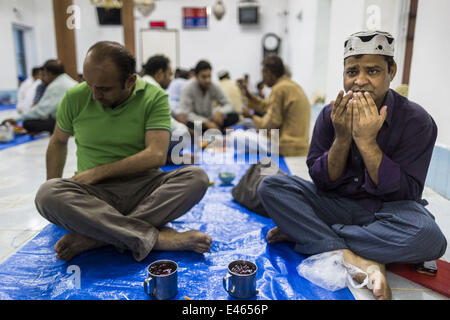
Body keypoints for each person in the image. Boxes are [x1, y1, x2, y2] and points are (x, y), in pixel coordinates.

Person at [257, 30, 447, 300]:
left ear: (391, 72)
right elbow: (321, 181)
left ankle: (313, 236)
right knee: (271, 185)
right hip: (336, 203)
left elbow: (406, 193)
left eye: (372, 71)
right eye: (352, 71)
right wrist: (343, 137)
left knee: (429, 238)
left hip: (388, 211)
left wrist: (367, 142)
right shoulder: (330, 114)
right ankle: (352, 255)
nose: (359, 81)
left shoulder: (417, 121)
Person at [34, 41, 212, 262]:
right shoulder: (75, 97)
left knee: (196, 177)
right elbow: (58, 141)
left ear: (130, 81)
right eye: (89, 84)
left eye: (104, 89)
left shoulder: (154, 98)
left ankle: (96, 238)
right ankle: (157, 239)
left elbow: (155, 154)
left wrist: (98, 172)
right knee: (47, 193)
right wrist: (59, 200)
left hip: (143, 188)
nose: (94, 95)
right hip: (95, 195)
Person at [238, 54, 311, 157]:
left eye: (263, 73)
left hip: (287, 146)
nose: (262, 78)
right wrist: (248, 95)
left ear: (268, 73)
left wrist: (251, 116)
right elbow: (267, 105)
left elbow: (270, 124)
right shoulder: (289, 85)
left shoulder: (280, 89)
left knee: (236, 137)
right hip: (300, 145)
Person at [2, 60, 77, 135]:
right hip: (76, 120)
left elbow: (40, 110)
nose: (42, 78)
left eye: (44, 74)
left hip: (69, 124)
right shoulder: (70, 81)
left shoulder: (55, 86)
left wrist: (16, 119)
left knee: (28, 123)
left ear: (49, 73)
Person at [142, 55, 190, 158]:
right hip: (147, 141)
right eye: (169, 74)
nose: (171, 79)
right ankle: (165, 157)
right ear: (159, 74)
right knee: (183, 134)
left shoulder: (142, 83)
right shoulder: (155, 90)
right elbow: (169, 124)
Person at [177, 60, 239, 132]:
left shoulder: (213, 86)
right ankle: (218, 130)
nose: (207, 80)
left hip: (211, 119)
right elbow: (186, 113)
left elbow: (230, 104)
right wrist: (205, 122)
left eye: (209, 76)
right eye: (204, 77)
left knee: (234, 116)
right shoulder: (188, 87)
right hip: (196, 121)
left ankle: (214, 129)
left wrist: (220, 112)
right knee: (185, 122)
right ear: (196, 76)